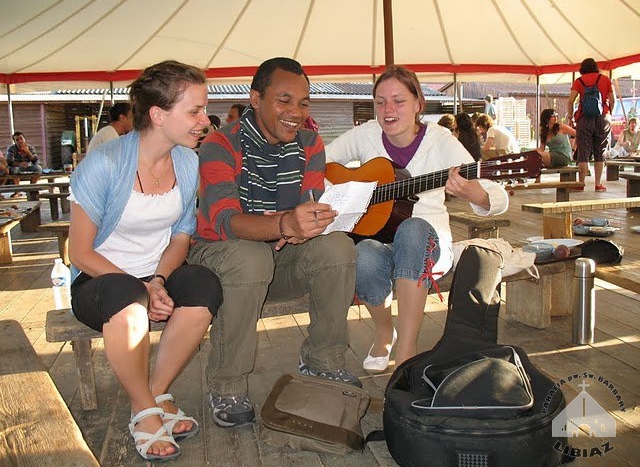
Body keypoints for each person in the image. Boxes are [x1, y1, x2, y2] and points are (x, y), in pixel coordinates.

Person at [188, 57, 359, 428]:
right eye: (284, 100)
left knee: (338, 247)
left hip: (280, 257)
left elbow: (306, 212)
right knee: (250, 257)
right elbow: (225, 221)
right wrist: (285, 223)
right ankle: (227, 382)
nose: (295, 112)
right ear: (255, 98)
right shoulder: (220, 143)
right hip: (219, 257)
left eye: (303, 103)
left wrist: (313, 221)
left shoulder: (311, 143)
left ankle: (323, 360)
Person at [68, 60, 222, 461]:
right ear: (158, 114)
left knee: (204, 284)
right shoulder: (104, 164)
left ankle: (155, 392)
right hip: (100, 282)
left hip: (156, 276)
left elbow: (182, 235)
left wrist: (156, 280)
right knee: (125, 296)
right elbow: (80, 252)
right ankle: (144, 410)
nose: (204, 121)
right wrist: (141, 288)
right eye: (194, 111)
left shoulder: (188, 162)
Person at [325, 65, 509, 372]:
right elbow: (323, 164)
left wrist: (472, 193)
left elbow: (495, 193)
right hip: (380, 239)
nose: (388, 109)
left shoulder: (440, 141)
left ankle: (407, 350)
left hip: (429, 244)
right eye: (380, 101)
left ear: (418, 105)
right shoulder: (365, 134)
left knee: (412, 228)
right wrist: (349, 195)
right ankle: (385, 332)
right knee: (364, 253)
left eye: (398, 100)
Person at [567, 57, 615, 191]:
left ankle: (581, 183)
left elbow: (570, 101)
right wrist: (609, 112)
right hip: (603, 118)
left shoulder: (579, 81)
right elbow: (612, 99)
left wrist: (570, 116)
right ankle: (598, 184)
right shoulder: (605, 79)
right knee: (600, 151)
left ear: (582, 68)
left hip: (584, 118)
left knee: (583, 151)